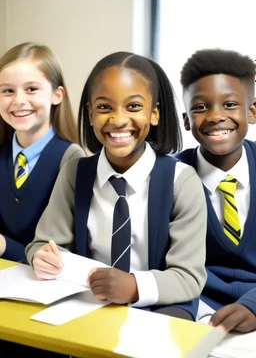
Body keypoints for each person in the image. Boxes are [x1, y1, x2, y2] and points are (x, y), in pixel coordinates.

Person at [25, 51, 207, 321]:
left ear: (154, 113)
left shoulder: (182, 181)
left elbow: (188, 276)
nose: (118, 120)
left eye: (133, 106)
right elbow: (44, 243)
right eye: (104, 107)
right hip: (88, 302)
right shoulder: (75, 172)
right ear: (90, 114)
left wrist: (134, 286)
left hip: (160, 305)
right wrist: (40, 256)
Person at [176, 48, 256, 333]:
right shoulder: (170, 177)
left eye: (230, 104)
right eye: (200, 107)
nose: (215, 116)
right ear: (186, 119)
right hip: (195, 311)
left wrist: (253, 306)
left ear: (252, 111)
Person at [0, 42, 85, 263]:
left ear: (57, 95)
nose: (18, 100)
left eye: (31, 89)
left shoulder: (71, 159)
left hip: (45, 287)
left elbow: (65, 255)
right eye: (8, 90)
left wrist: (4, 246)